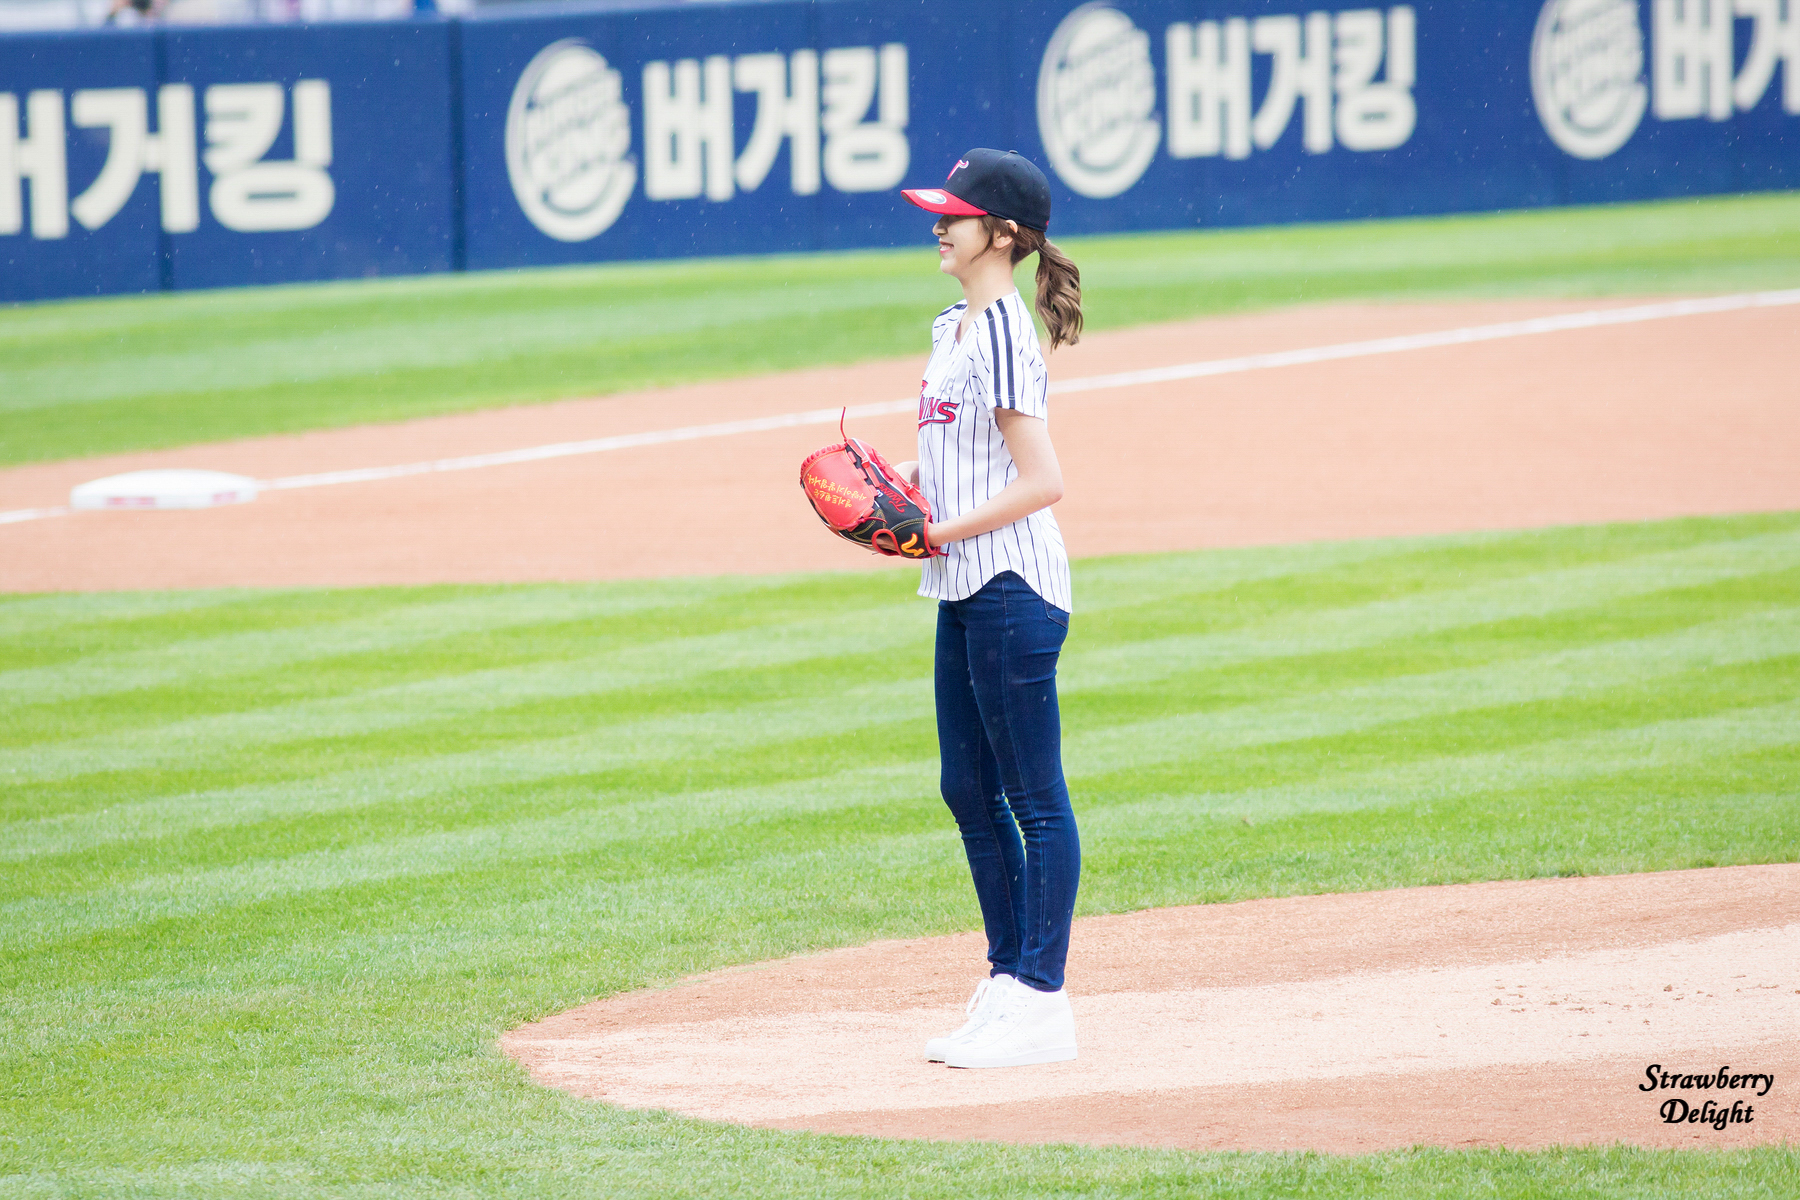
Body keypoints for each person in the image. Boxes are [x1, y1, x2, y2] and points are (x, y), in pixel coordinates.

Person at [894, 148, 1084, 1069]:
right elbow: (956, 459)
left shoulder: (1005, 331)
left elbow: (1043, 481)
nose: (940, 225)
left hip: (1011, 584)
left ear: (1002, 235)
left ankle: (1042, 1000)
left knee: (1034, 799)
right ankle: (1008, 981)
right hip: (963, 584)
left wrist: (936, 528)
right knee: (966, 788)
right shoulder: (952, 326)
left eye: (956, 215)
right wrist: (899, 488)